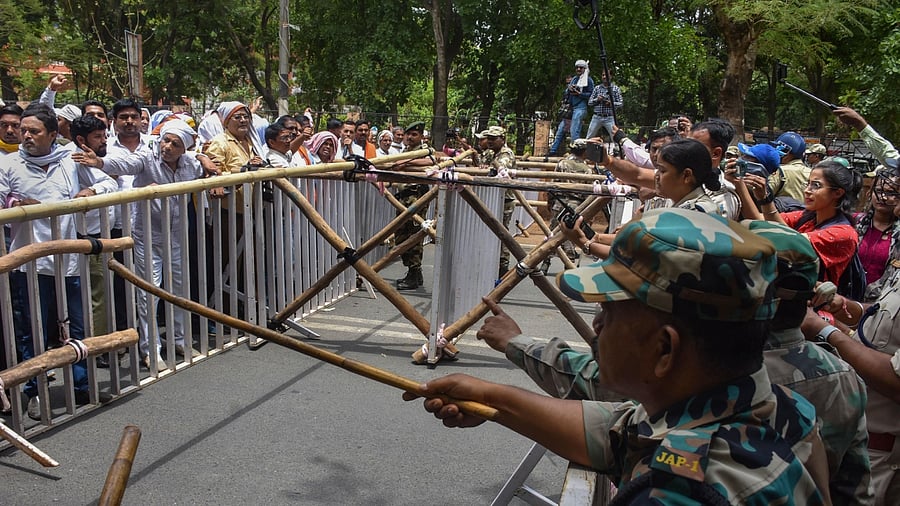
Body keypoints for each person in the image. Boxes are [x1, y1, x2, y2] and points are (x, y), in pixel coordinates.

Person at [405, 208, 830, 504]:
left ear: (664, 349)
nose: (598, 326)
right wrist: (493, 399)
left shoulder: (681, 493)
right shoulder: (782, 410)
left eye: (609, 310)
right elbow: (617, 430)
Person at [1, 103, 115, 419]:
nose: (25, 136)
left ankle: (81, 386)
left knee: (78, 327)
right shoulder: (9, 164)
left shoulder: (69, 159)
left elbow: (111, 184)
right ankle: (34, 391)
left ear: (53, 134)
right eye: (23, 130)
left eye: (34, 131)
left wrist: (89, 190)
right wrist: (17, 203)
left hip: (69, 261)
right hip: (30, 264)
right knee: (33, 331)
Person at [76, 119, 204, 370]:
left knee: (179, 287)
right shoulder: (147, 156)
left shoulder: (190, 163)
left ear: (184, 149)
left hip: (177, 236)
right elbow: (126, 163)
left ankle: (178, 339)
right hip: (148, 236)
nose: (167, 146)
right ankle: (150, 348)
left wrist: (208, 161)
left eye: (175, 144)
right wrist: (100, 163)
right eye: (166, 140)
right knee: (149, 292)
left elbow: (203, 164)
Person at [738, 159, 861, 285]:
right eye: (808, 184)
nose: (807, 190)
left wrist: (766, 199)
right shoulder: (807, 217)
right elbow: (758, 219)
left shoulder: (844, 234)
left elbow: (788, 242)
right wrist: (739, 184)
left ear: (838, 193)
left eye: (816, 185)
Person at [541, 139, 595, 273]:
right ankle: (569, 264)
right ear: (584, 151)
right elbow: (589, 191)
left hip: (560, 203)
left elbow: (554, 184)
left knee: (553, 233)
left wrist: (550, 201)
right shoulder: (587, 169)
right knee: (571, 234)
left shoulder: (562, 163)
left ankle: (545, 262)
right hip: (577, 205)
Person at [394, 121, 429, 290]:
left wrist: (407, 163)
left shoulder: (423, 150)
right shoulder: (406, 151)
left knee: (414, 235)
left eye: (414, 134)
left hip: (416, 197)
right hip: (403, 197)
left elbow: (430, 162)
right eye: (407, 134)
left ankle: (414, 274)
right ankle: (413, 271)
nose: (409, 137)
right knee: (400, 235)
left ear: (421, 136)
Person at [856, 170, 900, 289]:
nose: (883, 197)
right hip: (845, 297)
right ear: (870, 193)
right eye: (879, 191)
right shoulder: (855, 223)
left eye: (891, 193)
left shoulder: (898, 234)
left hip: (883, 301)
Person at [485, 126, 517, 278]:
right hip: (492, 197)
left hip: (505, 199)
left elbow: (502, 167)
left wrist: (493, 162)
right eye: (488, 138)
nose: (489, 141)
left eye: (493, 138)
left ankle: (503, 266)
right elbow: (480, 164)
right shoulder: (492, 153)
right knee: (492, 231)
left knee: (501, 232)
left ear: (502, 139)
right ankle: (492, 264)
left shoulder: (506, 153)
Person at [549, 61, 593, 155]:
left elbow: (591, 95)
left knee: (574, 131)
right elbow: (567, 93)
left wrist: (580, 94)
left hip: (580, 107)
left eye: (581, 68)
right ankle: (552, 152)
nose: (578, 69)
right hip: (570, 108)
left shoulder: (589, 80)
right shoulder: (574, 79)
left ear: (584, 69)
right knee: (560, 130)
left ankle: (575, 153)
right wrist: (569, 90)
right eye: (577, 67)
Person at [769, 131, 811, 201]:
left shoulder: (779, 171)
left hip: (781, 211)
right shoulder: (812, 173)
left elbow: (763, 196)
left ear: (787, 153)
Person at [585, 71, 623, 143]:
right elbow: (589, 102)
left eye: (606, 75)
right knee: (589, 137)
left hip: (609, 117)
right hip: (597, 117)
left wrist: (611, 103)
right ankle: (584, 152)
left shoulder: (615, 89)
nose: (604, 77)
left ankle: (617, 152)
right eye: (603, 75)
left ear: (611, 76)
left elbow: (621, 103)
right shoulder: (597, 88)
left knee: (615, 137)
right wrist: (597, 99)